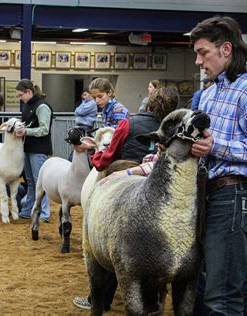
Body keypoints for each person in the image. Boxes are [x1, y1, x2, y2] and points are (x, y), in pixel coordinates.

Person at [189, 16, 247, 314]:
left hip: (233, 196)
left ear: (226, 49)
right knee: (233, 285)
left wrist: (217, 146)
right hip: (209, 196)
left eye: (204, 53)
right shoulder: (209, 93)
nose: (199, 61)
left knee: (220, 296)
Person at [72, 87, 179, 311]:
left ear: (148, 104)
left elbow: (107, 157)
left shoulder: (129, 123)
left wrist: (97, 158)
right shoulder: (177, 128)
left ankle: (100, 300)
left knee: (109, 240)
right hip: (163, 185)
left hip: (128, 178)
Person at [90, 87, 179, 172]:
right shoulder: (179, 131)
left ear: (150, 104)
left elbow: (106, 160)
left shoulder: (127, 124)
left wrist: (95, 155)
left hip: (126, 177)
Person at [16, 80, 53, 223]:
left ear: (28, 92)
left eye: (20, 95)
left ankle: (44, 213)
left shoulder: (42, 106)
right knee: (31, 181)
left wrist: (26, 131)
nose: (20, 98)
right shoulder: (28, 105)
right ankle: (28, 210)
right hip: (28, 147)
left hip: (39, 149)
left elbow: (44, 129)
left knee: (40, 182)